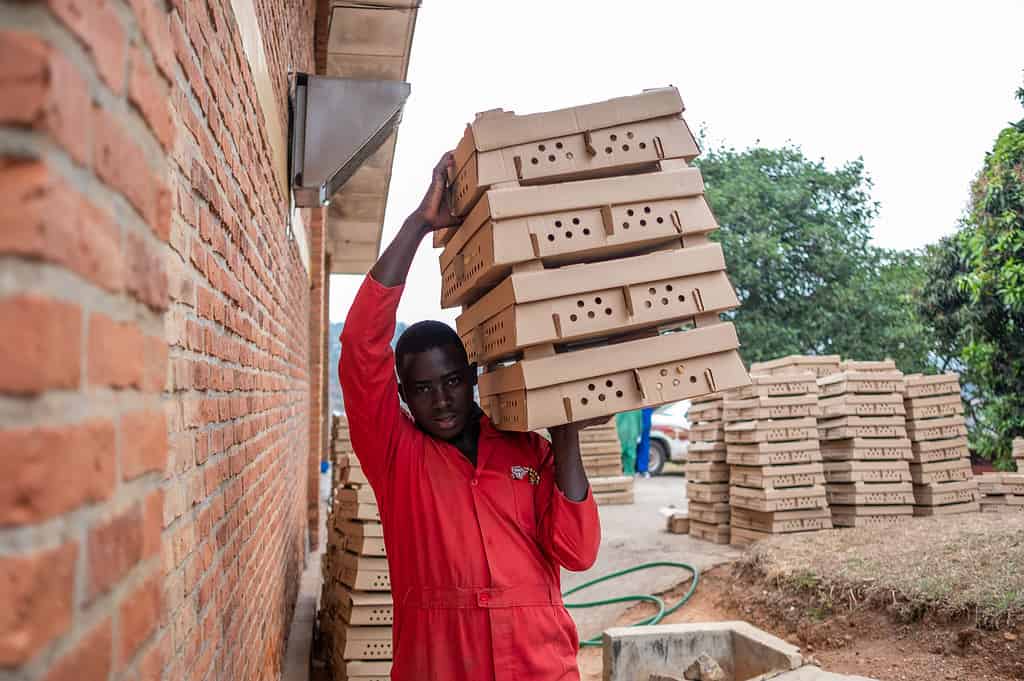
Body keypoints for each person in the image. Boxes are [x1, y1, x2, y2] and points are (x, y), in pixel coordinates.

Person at [339, 152, 602, 681]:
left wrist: (566, 428)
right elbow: (360, 343)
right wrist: (417, 225)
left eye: (453, 381)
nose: (441, 399)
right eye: (423, 388)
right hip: (439, 666)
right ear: (403, 395)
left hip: (539, 664)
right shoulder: (396, 456)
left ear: (473, 376)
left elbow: (577, 553)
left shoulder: (526, 448)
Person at [615, 409, 642, 475]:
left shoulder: (620, 406)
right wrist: (639, 432)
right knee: (630, 454)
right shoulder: (637, 408)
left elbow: (616, 420)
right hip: (632, 432)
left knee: (620, 452)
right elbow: (639, 421)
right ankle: (629, 472)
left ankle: (621, 472)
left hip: (622, 431)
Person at [636, 407, 655, 478]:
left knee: (644, 443)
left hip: (644, 411)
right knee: (634, 443)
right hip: (635, 411)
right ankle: (637, 469)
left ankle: (642, 469)